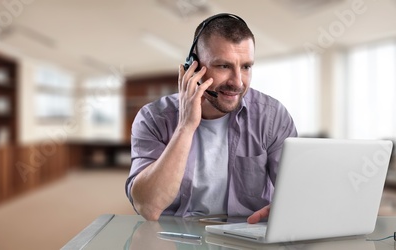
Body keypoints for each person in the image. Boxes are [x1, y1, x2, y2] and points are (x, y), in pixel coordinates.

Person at [125, 13, 297, 222]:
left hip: (246, 236)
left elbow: (298, 193)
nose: (237, 82)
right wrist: (185, 127)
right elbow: (148, 206)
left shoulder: (272, 117)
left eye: (246, 67)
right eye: (223, 66)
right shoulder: (153, 118)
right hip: (175, 237)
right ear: (193, 67)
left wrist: (288, 207)